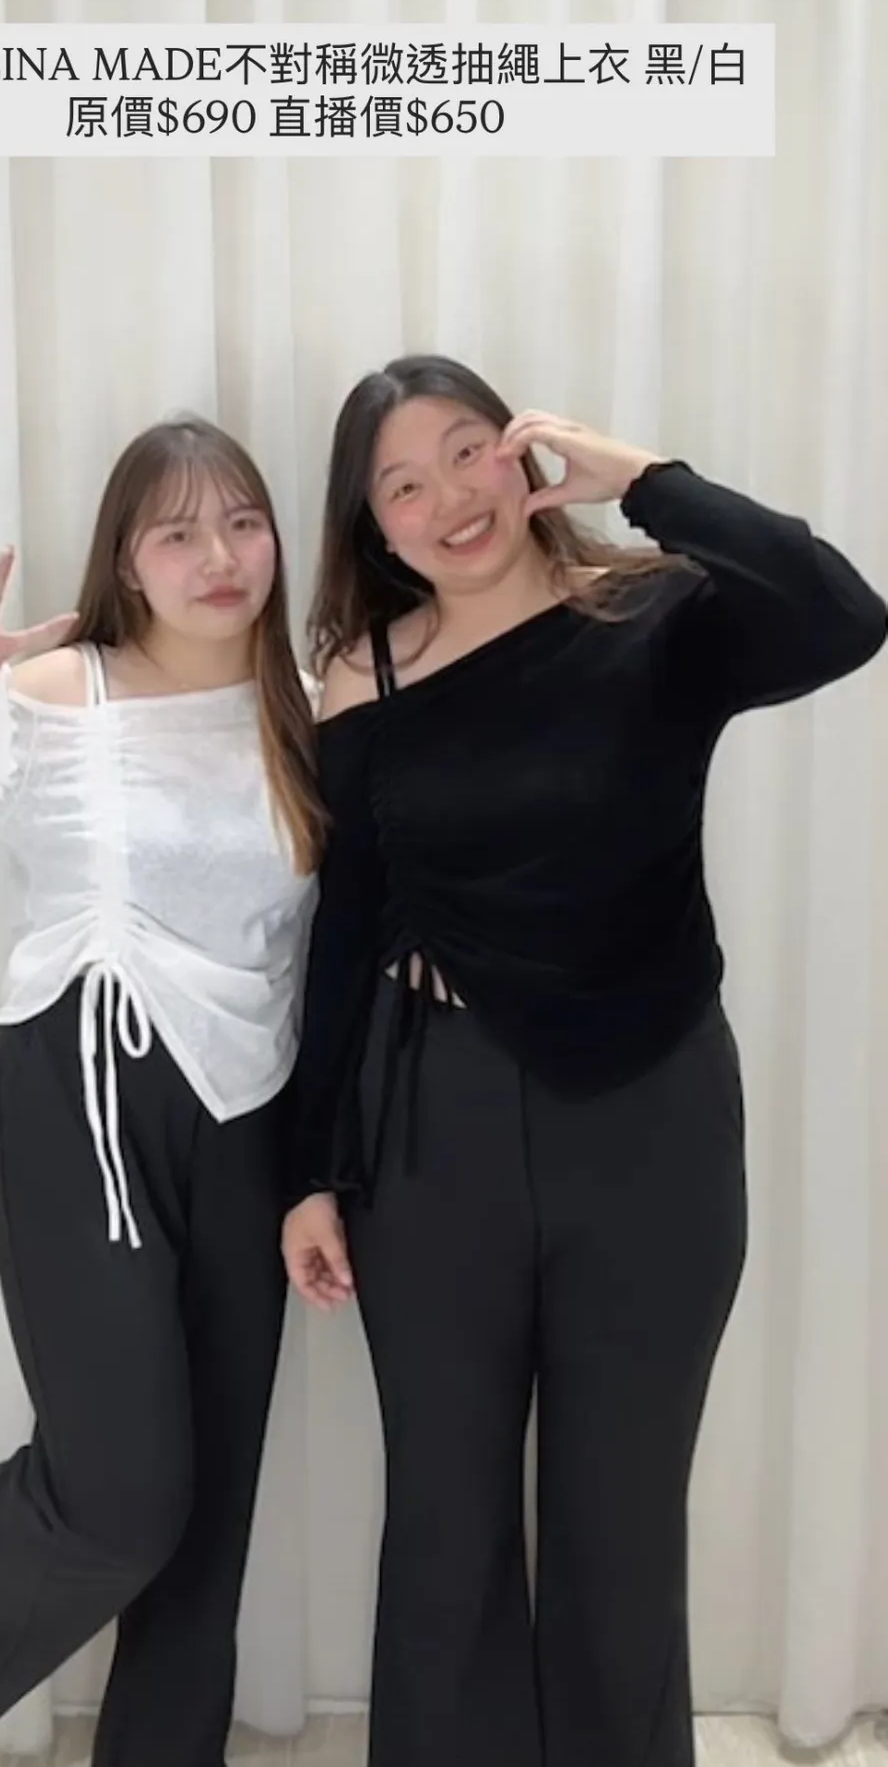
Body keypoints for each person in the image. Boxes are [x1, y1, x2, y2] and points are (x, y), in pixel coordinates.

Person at [280, 354, 887, 1767]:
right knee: (447, 1524)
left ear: (525, 451)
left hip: (653, 1116)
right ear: (373, 524)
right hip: (432, 1129)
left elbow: (846, 615)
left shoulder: (655, 616)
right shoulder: (362, 679)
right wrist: (309, 1171)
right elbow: (342, 932)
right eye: (402, 485)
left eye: (467, 451)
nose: (448, 499)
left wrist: (651, 483)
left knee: (622, 1525)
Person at [0, 416, 323, 1767]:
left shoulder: (307, 707)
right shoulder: (61, 694)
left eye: (243, 523)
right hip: (82, 1086)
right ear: (127, 560)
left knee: (209, 1515)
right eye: (179, 532)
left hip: (253, 1112)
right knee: (124, 1496)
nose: (220, 558)